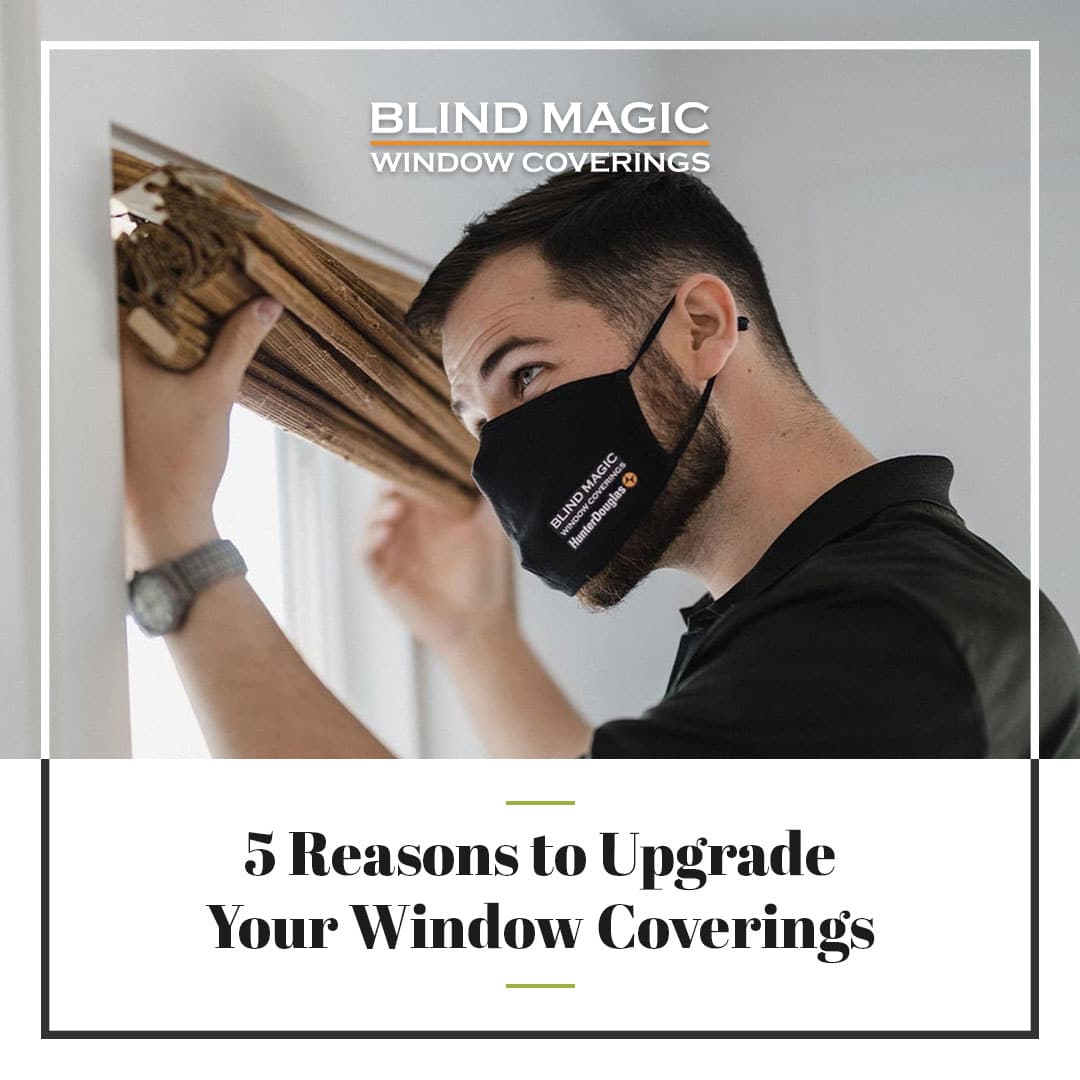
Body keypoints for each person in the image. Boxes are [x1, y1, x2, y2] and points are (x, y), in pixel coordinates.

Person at [121, 166, 1080, 758]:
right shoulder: (842, 607)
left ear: (700, 325)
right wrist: (472, 636)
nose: (501, 459)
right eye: (474, 419)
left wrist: (176, 541)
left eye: (525, 376)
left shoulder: (885, 640)